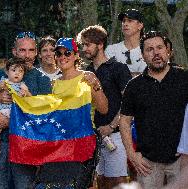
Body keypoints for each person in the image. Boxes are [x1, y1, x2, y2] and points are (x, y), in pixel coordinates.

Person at [34, 37, 108, 188]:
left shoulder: (87, 77)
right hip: (57, 144)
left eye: (67, 53)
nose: (62, 57)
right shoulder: (53, 83)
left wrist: (96, 86)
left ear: (76, 56)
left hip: (81, 143)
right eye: (59, 54)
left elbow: (104, 109)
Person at [119, 31, 188, 189]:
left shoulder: (184, 78)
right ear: (142, 55)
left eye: (159, 48)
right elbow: (124, 121)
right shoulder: (134, 86)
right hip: (147, 163)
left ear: (167, 51)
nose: (156, 53)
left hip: (182, 161)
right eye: (150, 49)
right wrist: (131, 154)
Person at [0, 31, 52, 189]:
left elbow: (43, 121)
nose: (27, 55)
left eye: (31, 50)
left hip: (26, 146)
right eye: (22, 50)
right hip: (0, 144)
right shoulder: (0, 75)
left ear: (36, 53)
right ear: (14, 51)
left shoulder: (42, 80)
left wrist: (10, 122)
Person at [77, 25, 132, 189]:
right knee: (99, 182)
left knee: (117, 183)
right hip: (94, 138)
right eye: (83, 45)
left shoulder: (119, 68)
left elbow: (130, 104)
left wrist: (111, 126)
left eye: (88, 45)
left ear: (100, 44)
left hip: (116, 136)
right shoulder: (85, 71)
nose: (84, 49)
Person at [0, 58, 31, 158]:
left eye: (20, 71)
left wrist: (25, 93)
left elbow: (30, 97)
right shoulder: (4, 81)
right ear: (7, 71)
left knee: (14, 130)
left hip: (14, 111)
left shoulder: (22, 85)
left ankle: (17, 148)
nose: (17, 74)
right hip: (2, 110)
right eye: (14, 70)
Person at [105, 9, 147, 77]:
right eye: (124, 21)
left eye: (130, 21)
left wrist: (121, 75)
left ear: (140, 26)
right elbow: (107, 75)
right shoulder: (111, 50)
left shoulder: (149, 49)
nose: (125, 24)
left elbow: (154, 75)